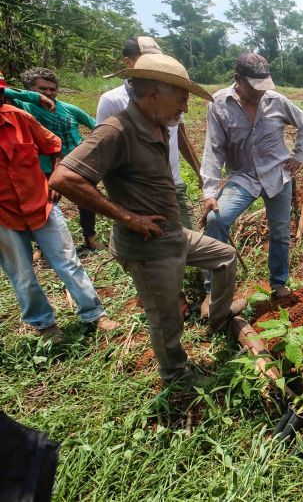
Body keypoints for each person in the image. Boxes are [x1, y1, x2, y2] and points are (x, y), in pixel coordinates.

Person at [50, 54, 242, 386]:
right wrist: (127, 217)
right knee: (167, 318)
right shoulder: (117, 130)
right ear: (154, 94)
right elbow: (64, 178)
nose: (184, 108)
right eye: (181, 98)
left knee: (225, 257)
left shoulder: (156, 124)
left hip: (172, 233)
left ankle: (220, 316)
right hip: (148, 246)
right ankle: (176, 376)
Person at [0, 69, 116, 345]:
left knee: (68, 262)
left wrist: (54, 178)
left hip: (41, 204)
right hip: (5, 215)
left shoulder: (18, 118)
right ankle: (44, 324)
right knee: (23, 275)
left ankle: (94, 314)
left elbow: (52, 146)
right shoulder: (25, 107)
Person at [200, 53, 303, 307]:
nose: (261, 93)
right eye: (255, 87)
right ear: (238, 79)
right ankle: (214, 290)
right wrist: (209, 192)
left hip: (277, 175)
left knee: (281, 232)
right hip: (243, 176)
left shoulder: (277, 101)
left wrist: (299, 155)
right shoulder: (219, 104)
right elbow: (213, 150)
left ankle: (279, 283)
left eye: (265, 86)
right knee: (215, 219)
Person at [96, 36, 201, 231]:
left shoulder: (171, 98)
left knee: (188, 241)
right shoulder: (112, 101)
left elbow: (182, 137)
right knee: (153, 253)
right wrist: (126, 213)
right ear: (128, 63)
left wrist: (200, 172)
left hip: (173, 184)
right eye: (148, 59)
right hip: (138, 193)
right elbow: (102, 156)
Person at [5, 67, 102, 251]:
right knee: (43, 209)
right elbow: (4, 91)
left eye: (52, 89)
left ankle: (90, 236)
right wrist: (34, 98)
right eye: (42, 89)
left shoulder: (69, 109)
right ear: (30, 90)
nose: (49, 93)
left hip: (75, 165)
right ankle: (42, 248)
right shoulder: (21, 107)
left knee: (87, 202)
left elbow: (96, 126)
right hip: (42, 167)